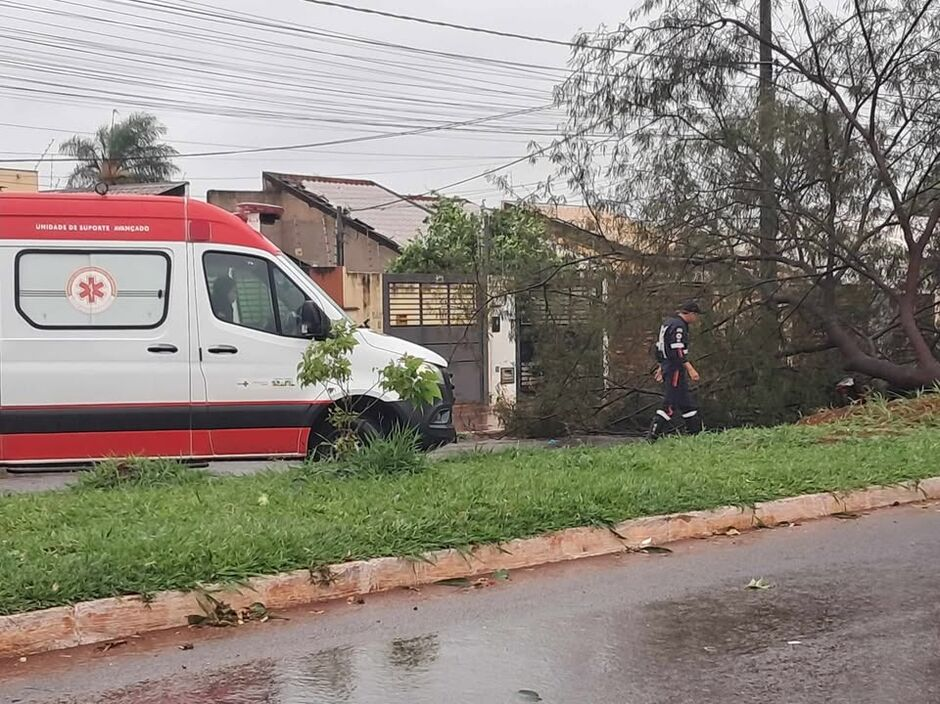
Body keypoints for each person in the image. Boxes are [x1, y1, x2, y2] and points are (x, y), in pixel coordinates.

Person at [648, 301, 703, 442]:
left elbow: (660, 346)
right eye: (696, 316)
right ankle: (652, 437)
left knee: (686, 402)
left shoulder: (668, 323)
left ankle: (697, 436)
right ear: (690, 314)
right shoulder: (678, 327)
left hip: (668, 365)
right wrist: (690, 368)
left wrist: (661, 365)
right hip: (675, 368)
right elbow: (677, 349)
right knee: (670, 403)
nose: (696, 319)